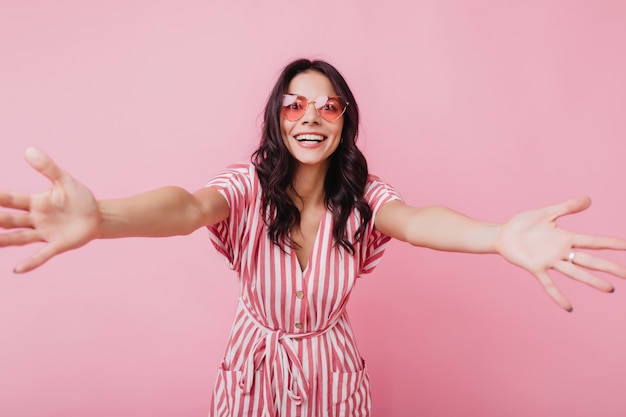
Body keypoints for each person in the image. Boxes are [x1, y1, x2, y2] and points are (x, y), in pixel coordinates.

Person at [1, 59, 625, 417]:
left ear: (345, 119)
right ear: (277, 117)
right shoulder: (246, 184)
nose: (310, 118)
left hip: (332, 367)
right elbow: (188, 207)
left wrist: (497, 237)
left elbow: (416, 220)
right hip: (254, 368)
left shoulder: (362, 195)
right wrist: (103, 217)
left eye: (328, 107)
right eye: (295, 105)